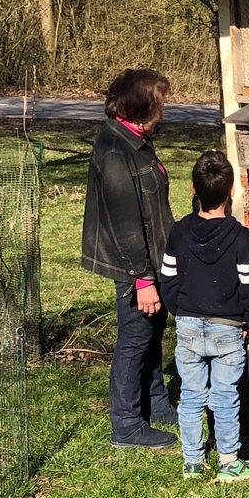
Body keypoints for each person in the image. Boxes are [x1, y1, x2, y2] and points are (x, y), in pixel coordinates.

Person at [81, 68, 178, 449]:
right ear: (142, 106)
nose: (164, 111)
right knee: (135, 340)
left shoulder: (134, 138)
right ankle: (125, 424)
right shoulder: (115, 151)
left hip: (151, 259)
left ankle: (155, 404)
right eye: (159, 104)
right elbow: (125, 224)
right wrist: (142, 280)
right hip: (133, 264)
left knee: (152, 333)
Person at [159, 150, 249, 481]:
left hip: (188, 325)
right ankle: (229, 460)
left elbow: (167, 278)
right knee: (225, 395)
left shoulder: (178, 232)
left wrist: (181, 309)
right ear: (231, 191)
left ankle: (192, 460)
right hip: (229, 328)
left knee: (190, 395)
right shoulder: (241, 237)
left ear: (193, 188)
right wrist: (248, 320)